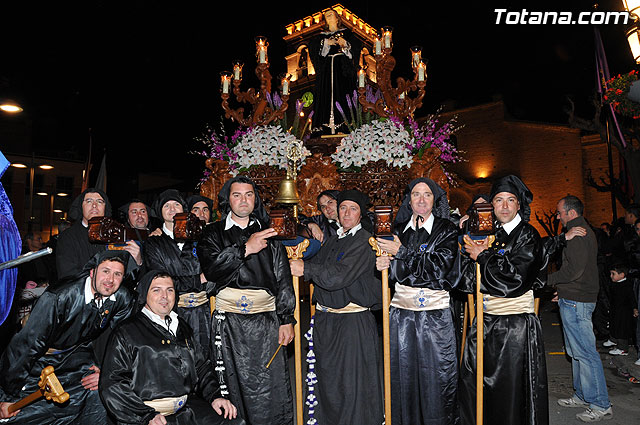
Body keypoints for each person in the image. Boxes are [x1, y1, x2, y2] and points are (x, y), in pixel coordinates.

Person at [197, 176, 295, 425]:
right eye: (237, 195)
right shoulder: (212, 232)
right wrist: (245, 249)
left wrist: (286, 319)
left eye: (249, 194)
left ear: (255, 199)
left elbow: (282, 278)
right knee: (230, 389)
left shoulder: (270, 234)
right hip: (228, 324)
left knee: (270, 390)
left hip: (266, 323)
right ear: (227, 200)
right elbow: (211, 270)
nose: (243, 200)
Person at [0, 250, 136, 423]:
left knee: (100, 391)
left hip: (77, 356)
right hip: (38, 359)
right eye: (106, 271)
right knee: (20, 413)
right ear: (92, 272)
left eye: (118, 274)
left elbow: (123, 340)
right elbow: (25, 346)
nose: (110, 280)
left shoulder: (122, 298)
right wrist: (8, 395)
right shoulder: (58, 297)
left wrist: (108, 371)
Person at [457, 175, 548, 425]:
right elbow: (465, 281)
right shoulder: (486, 234)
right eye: (499, 200)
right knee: (475, 385)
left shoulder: (528, 236)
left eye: (511, 200)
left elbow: (515, 280)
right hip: (485, 323)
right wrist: (470, 249)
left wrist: (483, 257)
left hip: (515, 328)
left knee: (510, 393)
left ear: (519, 205)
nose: (505, 206)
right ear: (491, 205)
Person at [99, 270, 244, 425]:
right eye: (156, 290)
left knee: (233, 421)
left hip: (186, 409)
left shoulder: (181, 326)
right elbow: (112, 384)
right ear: (144, 295)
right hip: (147, 416)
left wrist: (215, 396)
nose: (164, 296)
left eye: (170, 290)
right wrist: (145, 416)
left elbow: (201, 367)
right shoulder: (126, 332)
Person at [290, 189, 383, 425]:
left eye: (353, 208)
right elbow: (314, 263)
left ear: (361, 214)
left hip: (352, 325)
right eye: (343, 208)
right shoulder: (334, 239)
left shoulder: (364, 241)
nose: (347, 212)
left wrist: (306, 269)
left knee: (351, 386)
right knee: (328, 384)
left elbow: (337, 277)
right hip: (326, 322)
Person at [375, 178, 459, 425]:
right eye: (416, 194)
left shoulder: (447, 230)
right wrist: (382, 266)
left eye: (427, 195)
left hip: (435, 318)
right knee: (403, 377)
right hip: (401, 316)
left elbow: (439, 270)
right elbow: (395, 276)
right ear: (409, 200)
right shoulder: (397, 230)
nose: (421, 200)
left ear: (435, 200)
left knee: (437, 378)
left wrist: (401, 254)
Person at [550, 195, 612, 422]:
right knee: (575, 352)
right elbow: (581, 271)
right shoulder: (581, 230)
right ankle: (582, 395)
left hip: (578, 302)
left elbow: (573, 271)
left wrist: (549, 281)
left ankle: (600, 403)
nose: (557, 216)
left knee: (585, 354)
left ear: (571, 213)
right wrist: (563, 291)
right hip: (574, 297)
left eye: (559, 213)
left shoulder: (577, 234)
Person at [143, 189, 211, 360]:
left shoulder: (200, 238)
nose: (172, 208)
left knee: (204, 362)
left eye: (177, 204)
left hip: (203, 314)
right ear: (160, 211)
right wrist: (199, 279)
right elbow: (161, 281)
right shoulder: (153, 243)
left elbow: (214, 273)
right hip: (171, 312)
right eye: (167, 205)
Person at [56, 188, 142, 280]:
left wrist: (137, 261)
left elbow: (127, 275)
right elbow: (68, 275)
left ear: (105, 207)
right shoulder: (68, 237)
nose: (94, 205)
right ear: (81, 206)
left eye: (99, 201)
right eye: (89, 201)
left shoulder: (116, 235)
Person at [309, 8, 360, 135]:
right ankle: (324, 127)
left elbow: (356, 50)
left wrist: (345, 45)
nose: (328, 16)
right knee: (325, 96)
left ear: (337, 18)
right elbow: (314, 51)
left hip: (342, 72)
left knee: (343, 95)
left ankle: (344, 126)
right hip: (326, 72)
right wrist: (326, 42)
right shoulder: (320, 37)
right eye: (326, 15)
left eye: (331, 14)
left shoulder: (347, 34)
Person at [603, 263, 637, 356]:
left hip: (624, 312)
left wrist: (634, 308)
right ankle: (613, 339)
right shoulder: (614, 284)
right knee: (613, 325)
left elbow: (632, 298)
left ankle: (622, 348)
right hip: (615, 310)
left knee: (622, 329)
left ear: (622, 275)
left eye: (613, 274)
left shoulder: (626, 285)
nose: (611, 276)